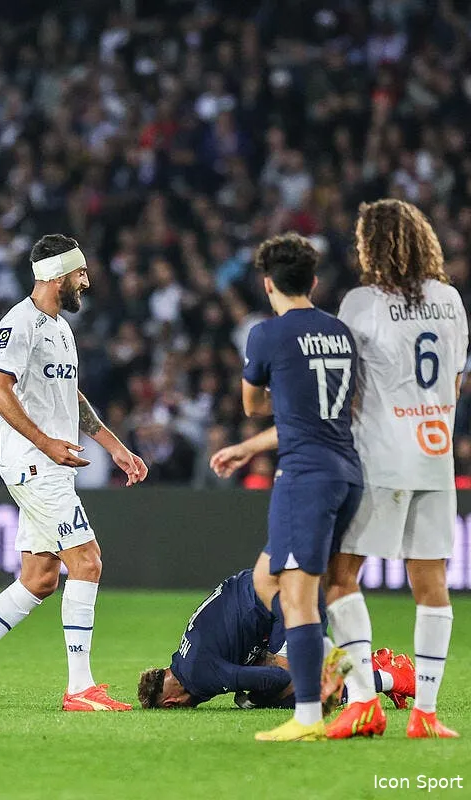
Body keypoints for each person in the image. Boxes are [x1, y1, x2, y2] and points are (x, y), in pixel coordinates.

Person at [213, 201, 467, 740]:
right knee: (432, 584)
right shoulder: (450, 301)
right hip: (435, 455)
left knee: (339, 579)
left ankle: (364, 702)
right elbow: (457, 383)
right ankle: (424, 713)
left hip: (372, 458)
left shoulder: (361, 304)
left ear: (371, 247)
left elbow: (337, 394)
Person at [0, 234, 148, 712]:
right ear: (57, 275)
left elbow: (71, 395)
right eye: (80, 273)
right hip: (34, 465)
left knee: (40, 577)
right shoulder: (19, 323)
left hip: (51, 465)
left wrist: (115, 447)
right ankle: (79, 688)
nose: (86, 282)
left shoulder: (62, 329)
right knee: (87, 561)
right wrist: (45, 441)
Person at [237, 233, 364, 742]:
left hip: (304, 477)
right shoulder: (342, 332)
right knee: (278, 579)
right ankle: (347, 678)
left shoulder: (266, 335)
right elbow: (347, 401)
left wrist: (282, 397)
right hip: (348, 471)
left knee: (296, 597)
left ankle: (310, 714)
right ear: (313, 282)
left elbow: (251, 406)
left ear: (268, 284)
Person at [135, 568, 413, 711]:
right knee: (274, 677)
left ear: (171, 702)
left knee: (291, 689)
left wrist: (252, 699)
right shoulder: (187, 658)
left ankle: (389, 677)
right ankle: (365, 665)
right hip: (273, 593)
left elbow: (277, 679)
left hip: (286, 598)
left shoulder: (197, 677)